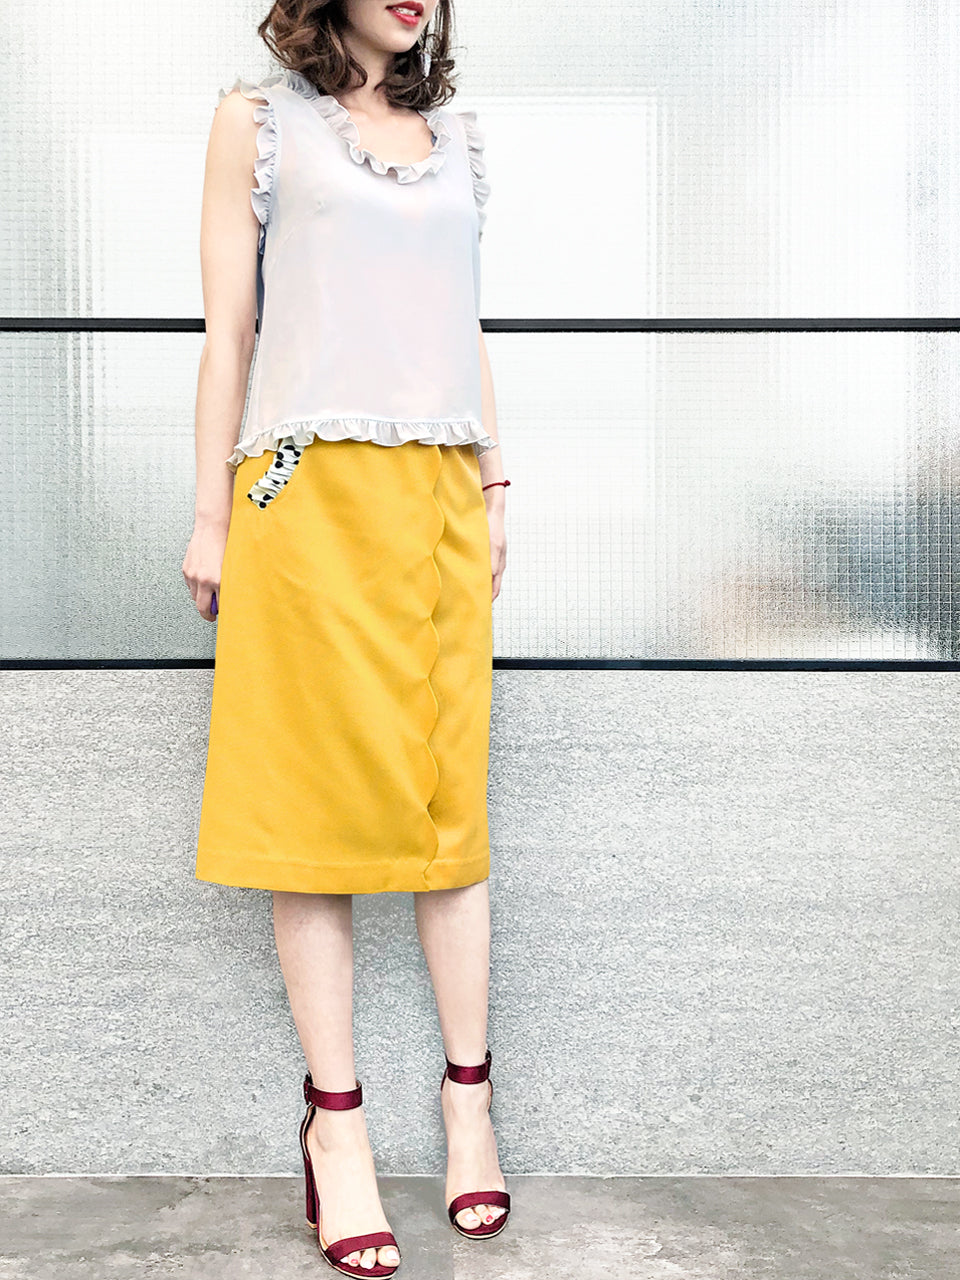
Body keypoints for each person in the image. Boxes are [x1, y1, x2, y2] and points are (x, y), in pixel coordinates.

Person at [180, 1, 510, 1275]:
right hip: (305, 490)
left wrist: (494, 486)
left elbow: (464, 324)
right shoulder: (257, 124)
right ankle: (339, 1128)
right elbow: (230, 330)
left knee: (446, 804)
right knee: (312, 809)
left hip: (439, 493)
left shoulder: (458, 137)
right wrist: (211, 516)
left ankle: (469, 1103)